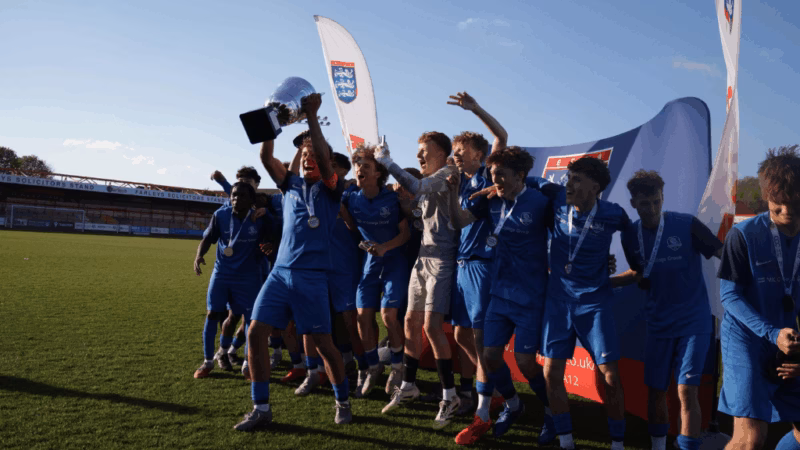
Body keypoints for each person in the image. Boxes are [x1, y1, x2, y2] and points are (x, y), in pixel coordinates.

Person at [234, 93, 352, 431]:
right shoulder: (290, 184)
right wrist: (271, 121)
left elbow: (326, 164)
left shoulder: (333, 188)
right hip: (280, 273)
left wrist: (312, 117)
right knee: (255, 332)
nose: (310, 159)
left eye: (316, 155)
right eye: (305, 155)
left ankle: (342, 401)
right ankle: (261, 408)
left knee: (324, 344)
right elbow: (265, 156)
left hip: (312, 277)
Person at [522, 156, 631, 450]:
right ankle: (566, 441)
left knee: (610, 376)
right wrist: (495, 188)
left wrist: (622, 267)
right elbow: (525, 181)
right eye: (569, 178)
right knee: (551, 373)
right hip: (558, 301)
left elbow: (634, 241)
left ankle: (618, 444)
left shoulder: (613, 213)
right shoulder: (557, 197)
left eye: (577, 180)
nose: (569, 184)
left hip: (594, 303)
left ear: (596, 187)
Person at [611, 170, 722, 450]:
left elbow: (723, 253)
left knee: (686, 390)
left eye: (656, 202)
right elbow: (639, 272)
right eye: (644, 203)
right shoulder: (630, 235)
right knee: (656, 390)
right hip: (658, 323)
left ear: (663, 198)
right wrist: (605, 282)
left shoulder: (687, 224)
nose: (651, 209)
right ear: (633, 203)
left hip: (694, 321)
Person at [450, 146, 554, 445]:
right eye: (493, 175)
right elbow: (459, 222)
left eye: (501, 175)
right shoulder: (491, 201)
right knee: (490, 356)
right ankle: (513, 404)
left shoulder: (540, 202)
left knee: (526, 362)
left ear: (520, 175)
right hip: (499, 292)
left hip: (531, 295)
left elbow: (564, 234)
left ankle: (552, 411)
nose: (495, 181)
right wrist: (453, 193)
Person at [374, 132, 462, 429]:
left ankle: (450, 396)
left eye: (424, 150)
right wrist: (402, 198)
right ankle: (409, 385)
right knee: (410, 321)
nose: (418, 156)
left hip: (442, 261)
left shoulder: (447, 174)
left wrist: (387, 162)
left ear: (442, 153)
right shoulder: (432, 181)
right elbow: (418, 209)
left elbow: (419, 187)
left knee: (431, 327)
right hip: (422, 260)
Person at [716, 147, 800, 450]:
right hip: (746, 340)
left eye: (794, 202)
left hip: (788, 341)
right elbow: (729, 295)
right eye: (778, 203)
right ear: (766, 196)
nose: (786, 210)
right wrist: (771, 333)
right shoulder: (743, 235)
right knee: (750, 438)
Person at [446, 91, 508, 426]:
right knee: (460, 335)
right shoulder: (460, 184)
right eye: (454, 151)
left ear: (479, 155)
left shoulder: (487, 175)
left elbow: (502, 136)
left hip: (482, 264)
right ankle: (494, 384)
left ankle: (486, 404)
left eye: (461, 151)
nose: (456, 155)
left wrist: (476, 109)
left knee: (482, 338)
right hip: (461, 265)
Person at [341, 145, 411, 397]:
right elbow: (351, 225)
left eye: (366, 166)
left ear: (378, 173)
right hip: (370, 263)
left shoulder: (392, 197)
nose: (359, 169)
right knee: (362, 316)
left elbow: (405, 234)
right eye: (357, 164)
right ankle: (373, 367)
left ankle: (397, 368)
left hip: (394, 261)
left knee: (389, 316)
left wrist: (384, 247)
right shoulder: (351, 197)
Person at [192, 182, 274, 379]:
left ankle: (247, 363)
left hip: (249, 276)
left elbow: (274, 236)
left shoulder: (260, 218)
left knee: (250, 320)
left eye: (242, 196)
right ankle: (208, 361)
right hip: (222, 273)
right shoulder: (220, 215)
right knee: (212, 314)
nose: (236, 199)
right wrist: (199, 255)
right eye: (234, 195)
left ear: (251, 199)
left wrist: (270, 240)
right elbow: (208, 238)